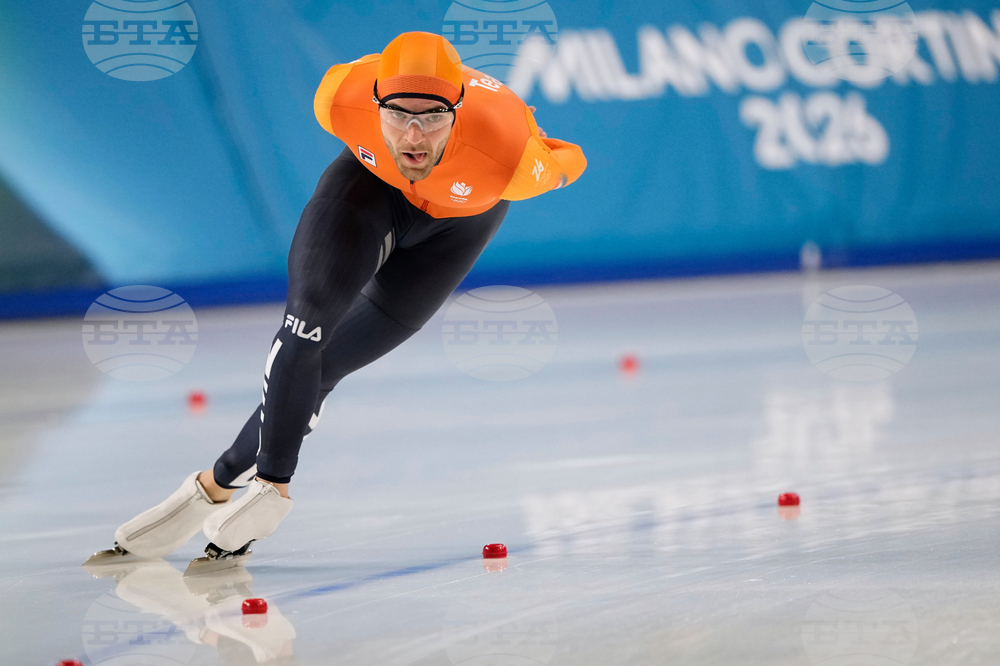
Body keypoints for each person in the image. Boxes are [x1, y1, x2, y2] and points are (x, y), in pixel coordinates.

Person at [88, 31, 586, 568]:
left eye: (434, 116)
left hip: (456, 227)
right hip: (367, 191)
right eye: (397, 114)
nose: (414, 136)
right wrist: (276, 478)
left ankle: (213, 484)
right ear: (374, 103)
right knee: (304, 328)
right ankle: (268, 490)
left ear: (459, 109)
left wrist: (532, 134)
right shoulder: (338, 96)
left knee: (325, 368)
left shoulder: (509, 155)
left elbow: (569, 159)